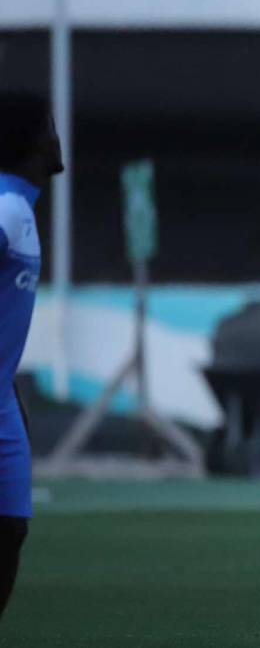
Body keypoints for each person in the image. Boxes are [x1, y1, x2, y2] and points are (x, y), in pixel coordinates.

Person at [0, 91, 64, 619]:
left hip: (2, 398)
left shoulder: (19, 206)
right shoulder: (5, 206)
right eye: (47, 126)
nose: (56, 136)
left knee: (10, 530)